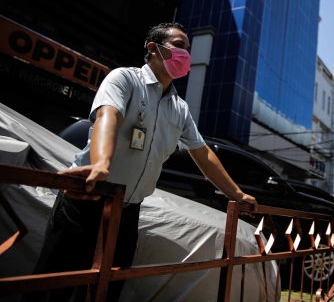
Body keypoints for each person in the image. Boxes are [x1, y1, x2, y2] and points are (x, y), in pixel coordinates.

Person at [26, 22, 258, 302]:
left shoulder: (179, 108)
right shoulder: (124, 79)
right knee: (53, 287)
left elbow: (203, 153)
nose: (186, 53)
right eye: (180, 45)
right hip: (86, 200)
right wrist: (102, 164)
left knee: (106, 288)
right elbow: (108, 117)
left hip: (127, 211)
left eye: (188, 48)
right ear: (153, 48)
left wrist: (237, 194)